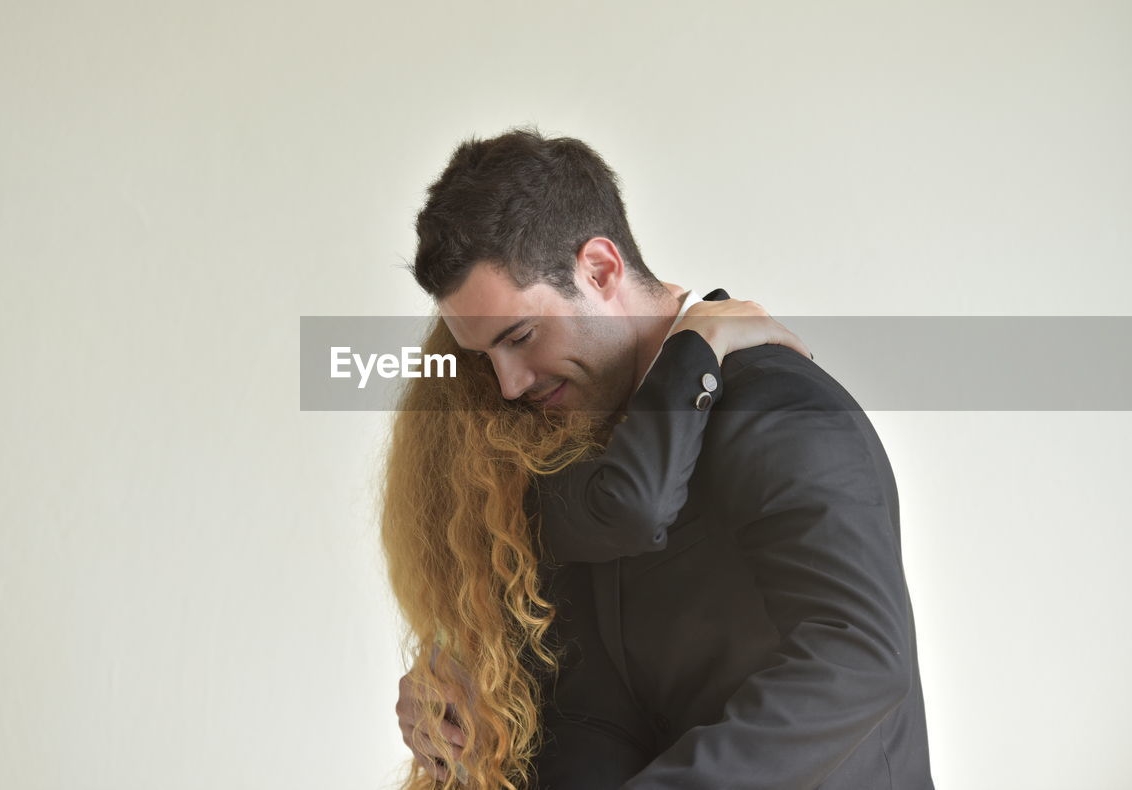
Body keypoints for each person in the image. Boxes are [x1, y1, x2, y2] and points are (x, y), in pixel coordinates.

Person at [383, 127, 934, 789]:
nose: (509, 383)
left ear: (600, 270)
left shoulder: (779, 407)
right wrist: (452, 680)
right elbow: (588, 687)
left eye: (521, 337)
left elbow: (858, 662)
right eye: (484, 357)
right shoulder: (569, 440)